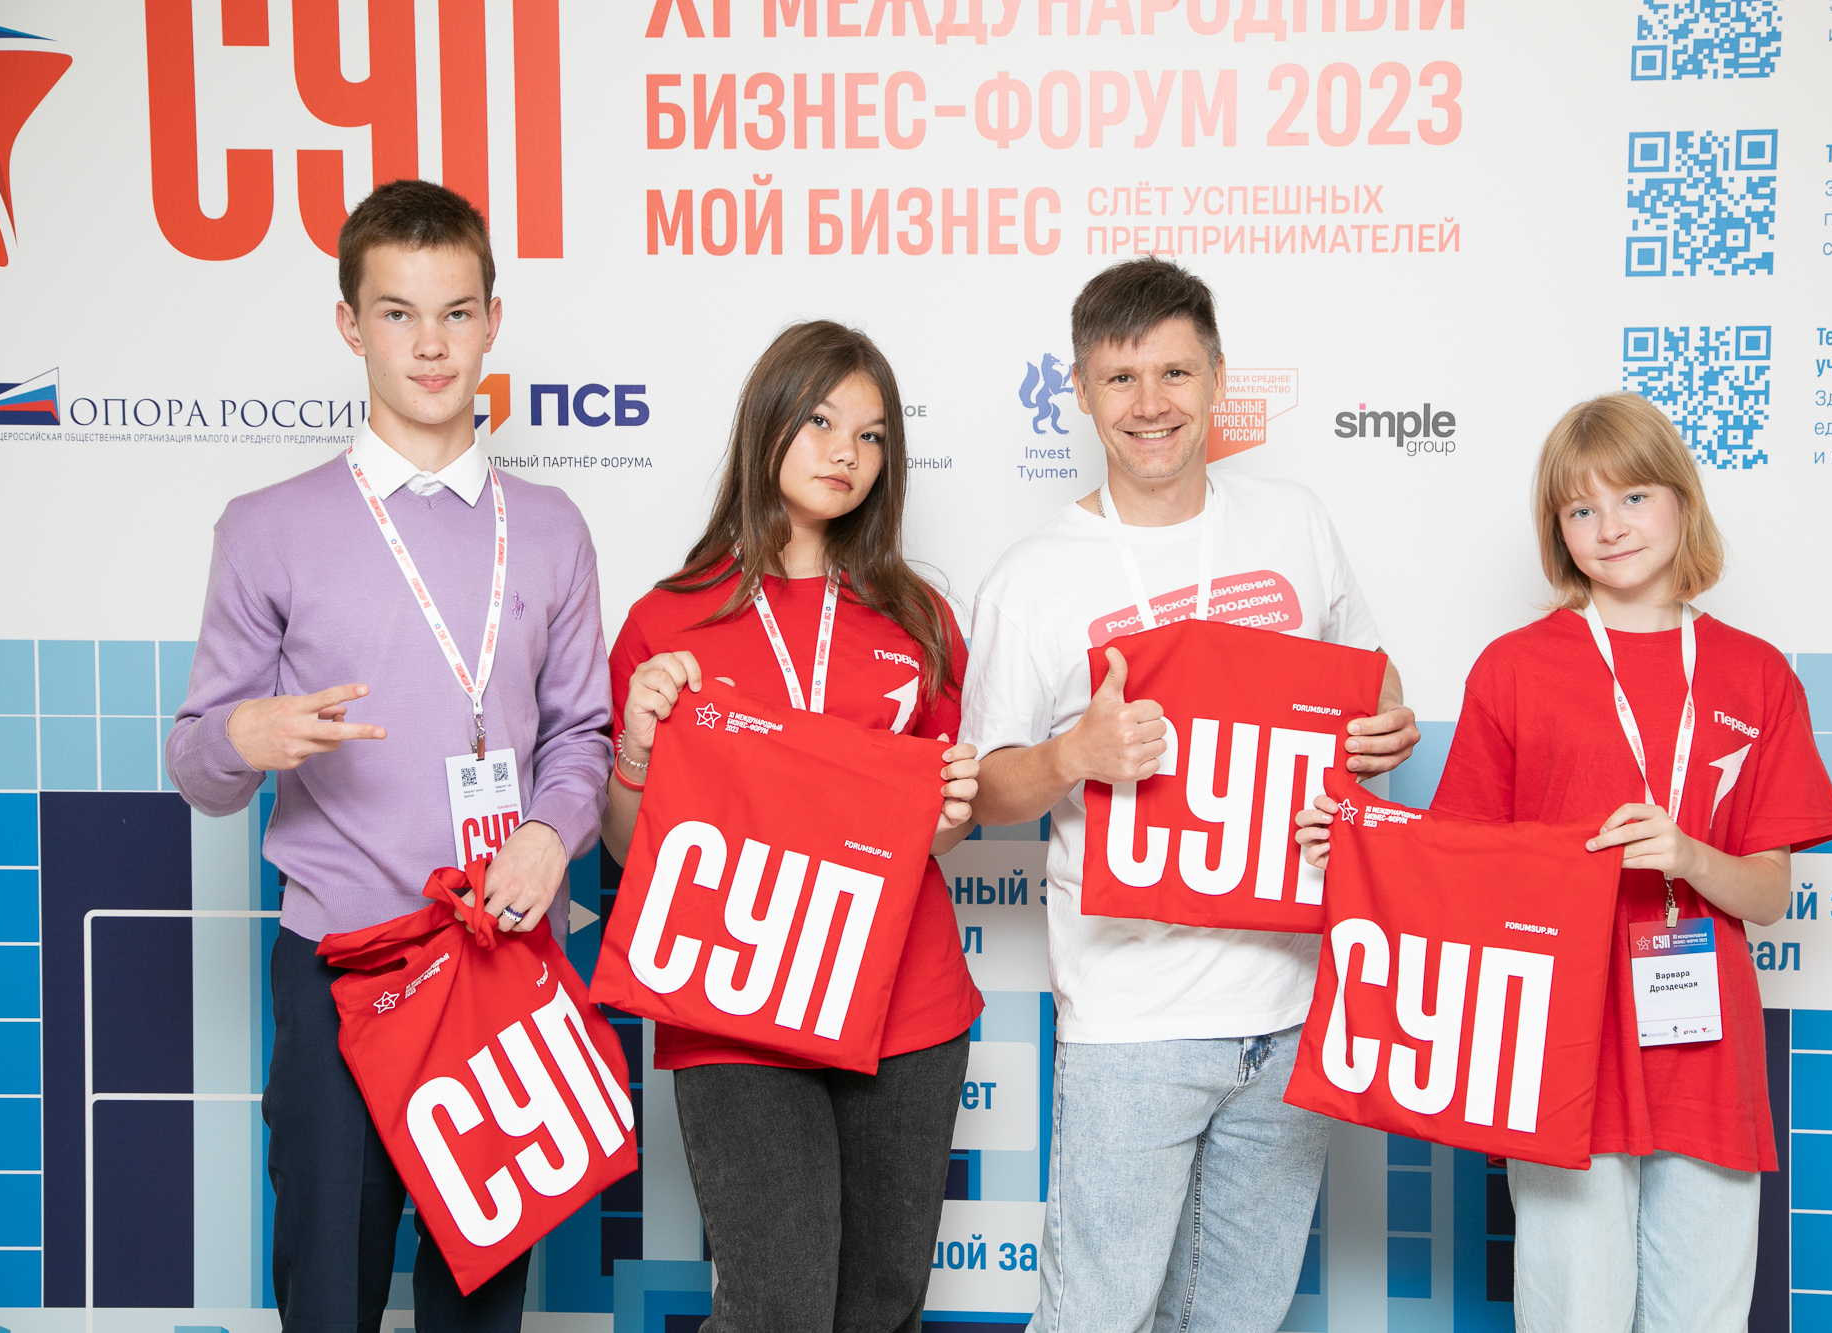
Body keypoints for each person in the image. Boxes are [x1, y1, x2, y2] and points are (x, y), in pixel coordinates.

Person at [166, 179, 612, 1333]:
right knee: (329, 1291)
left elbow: (582, 734)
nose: (430, 345)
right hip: (339, 966)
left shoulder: (551, 526)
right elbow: (198, 767)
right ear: (349, 324)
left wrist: (549, 833)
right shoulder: (265, 525)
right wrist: (242, 736)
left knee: (480, 1303)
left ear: (492, 323)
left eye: (456, 313)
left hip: (499, 955)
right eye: (398, 313)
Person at [1302, 392, 1832, 1331]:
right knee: (1571, 1314)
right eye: (1581, 509)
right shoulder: (1514, 667)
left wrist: (1690, 854)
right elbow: (1458, 865)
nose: (1611, 527)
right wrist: (1354, 838)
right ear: (1558, 531)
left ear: (1682, 501)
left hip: (1704, 1054)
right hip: (1555, 1048)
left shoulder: (1757, 673)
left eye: (1633, 497)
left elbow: (1769, 891)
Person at [960, 257, 1421, 1333]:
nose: (1150, 403)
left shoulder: (1294, 521)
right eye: (1120, 378)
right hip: (1133, 1017)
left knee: (1235, 1320)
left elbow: (1371, 681)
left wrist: (1386, 726)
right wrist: (1075, 753)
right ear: (1080, 390)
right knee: (1096, 1318)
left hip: (1292, 1006)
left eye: (1173, 372)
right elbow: (982, 788)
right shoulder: (1032, 576)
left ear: (1217, 377)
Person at [600, 320, 984, 1333]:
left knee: (880, 1307)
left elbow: (936, 833)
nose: (845, 451)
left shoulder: (921, 619)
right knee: (775, 1308)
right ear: (766, 423)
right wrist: (636, 748)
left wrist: (949, 812)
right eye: (820, 420)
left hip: (902, 997)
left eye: (871, 434)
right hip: (733, 994)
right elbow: (628, 851)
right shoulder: (665, 621)